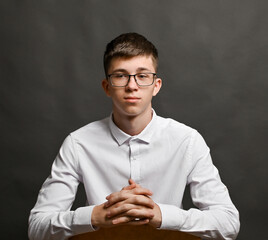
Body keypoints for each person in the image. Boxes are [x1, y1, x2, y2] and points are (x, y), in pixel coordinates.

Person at [28, 32, 240, 240]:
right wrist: (95, 216)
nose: (132, 86)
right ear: (106, 87)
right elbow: (37, 228)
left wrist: (162, 215)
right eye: (120, 75)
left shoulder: (188, 141)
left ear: (156, 86)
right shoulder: (78, 143)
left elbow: (229, 224)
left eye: (142, 76)